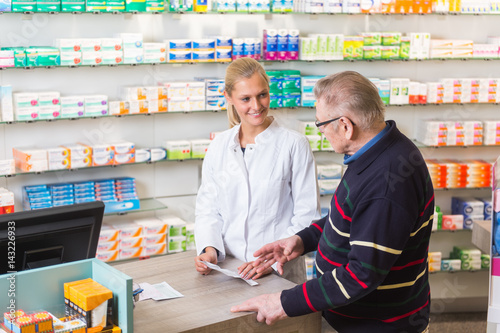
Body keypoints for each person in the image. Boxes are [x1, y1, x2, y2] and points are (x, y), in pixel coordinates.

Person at [231, 71, 434, 333]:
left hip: (377, 325)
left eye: (321, 124)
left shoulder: (386, 182)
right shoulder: (377, 149)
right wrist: (303, 240)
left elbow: (361, 275)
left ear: (346, 125)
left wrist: (283, 302)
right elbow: (355, 218)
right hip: (357, 317)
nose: (322, 132)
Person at [194, 57, 321, 282]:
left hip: (280, 272)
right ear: (228, 97)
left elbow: (307, 215)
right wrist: (210, 249)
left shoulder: (294, 144)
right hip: (228, 269)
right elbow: (208, 208)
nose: (256, 106)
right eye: (246, 99)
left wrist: (273, 258)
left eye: (262, 95)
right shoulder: (219, 145)